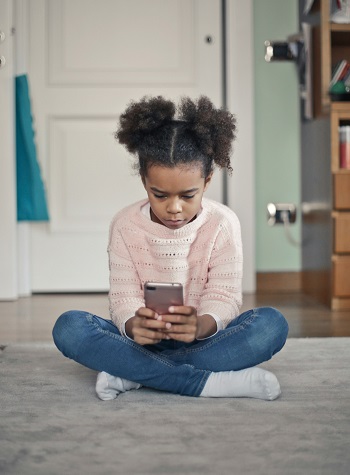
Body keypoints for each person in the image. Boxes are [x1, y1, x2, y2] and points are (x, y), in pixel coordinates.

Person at [52, 95, 289, 401]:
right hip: (141, 342)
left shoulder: (222, 223)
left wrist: (200, 326)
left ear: (207, 181)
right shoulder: (125, 225)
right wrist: (133, 324)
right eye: (160, 195)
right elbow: (123, 297)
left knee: (271, 326)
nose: (174, 208)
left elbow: (225, 298)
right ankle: (205, 382)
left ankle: (133, 375)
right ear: (144, 181)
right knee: (69, 327)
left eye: (188, 195)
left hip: (204, 340)